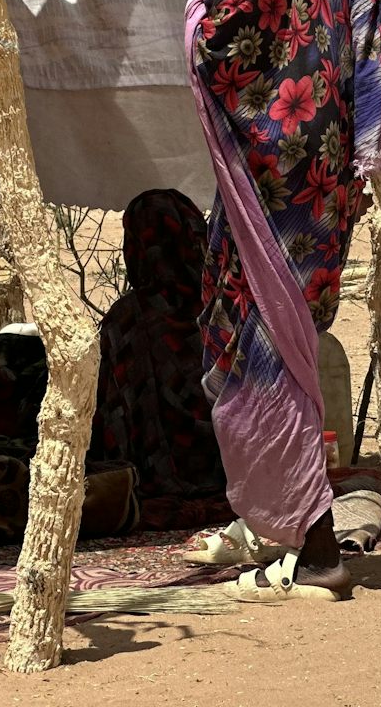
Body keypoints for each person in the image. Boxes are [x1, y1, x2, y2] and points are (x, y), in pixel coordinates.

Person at [181, 0, 381, 602]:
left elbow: (218, 48)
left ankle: (317, 548)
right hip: (324, 184)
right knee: (288, 340)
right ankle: (291, 531)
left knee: (261, 352)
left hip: (270, 180)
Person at [91, 189, 227, 530]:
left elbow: (109, 412)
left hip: (148, 478)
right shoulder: (226, 309)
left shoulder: (127, 319)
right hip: (232, 469)